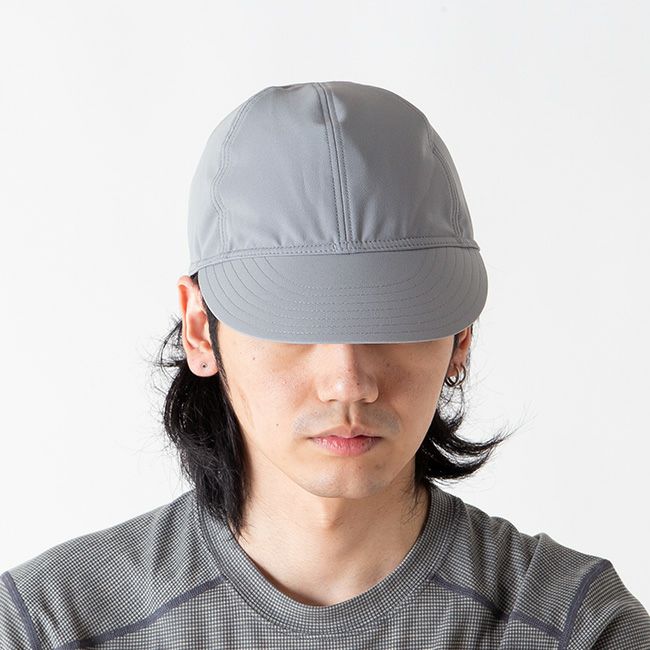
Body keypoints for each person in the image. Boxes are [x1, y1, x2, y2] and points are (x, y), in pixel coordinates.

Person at [1, 80, 648, 649]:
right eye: (295, 325)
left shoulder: (577, 629)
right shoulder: (49, 627)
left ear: (461, 339)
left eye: (394, 318)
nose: (349, 382)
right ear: (201, 330)